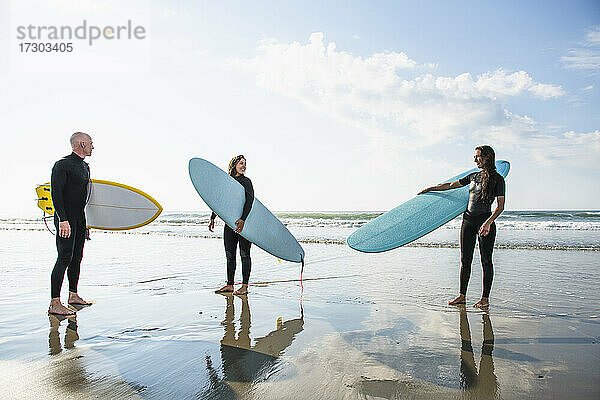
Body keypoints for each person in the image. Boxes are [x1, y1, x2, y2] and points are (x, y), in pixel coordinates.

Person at [418, 145, 505, 308]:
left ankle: (485, 299)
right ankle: (462, 296)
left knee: (486, 261)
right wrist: (432, 188)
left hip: (484, 221)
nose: (475, 159)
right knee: (465, 260)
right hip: (468, 221)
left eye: (478, 156)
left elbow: (500, 206)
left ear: (487, 157)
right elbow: (451, 185)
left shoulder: (498, 179)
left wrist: (488, 222)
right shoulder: (473, 176)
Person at [48, 132, 94, 316]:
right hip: (65, 218)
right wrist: (62, 220)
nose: (93, 146)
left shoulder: (85, 167)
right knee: (64, 257)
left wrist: (88, 221)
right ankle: (54, 303)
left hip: (80, 219)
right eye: (91, 143)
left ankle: (73, 295)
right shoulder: (62, 165)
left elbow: (88, 196)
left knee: (77, 257)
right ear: (82, 144)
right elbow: (56, 194)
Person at [210, 155, 254, 295]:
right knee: (230, 255)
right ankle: (230, 285)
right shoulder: (227, 182)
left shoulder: (246, 181)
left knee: (244, 255)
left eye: (245, 164)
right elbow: (220, 201)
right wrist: (212, 217)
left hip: (244, 224)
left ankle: (245, 286)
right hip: (229, 223)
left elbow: (250, 201)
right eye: (241, 163)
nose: (244, 166)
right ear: (234, 164)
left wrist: (243, 219)